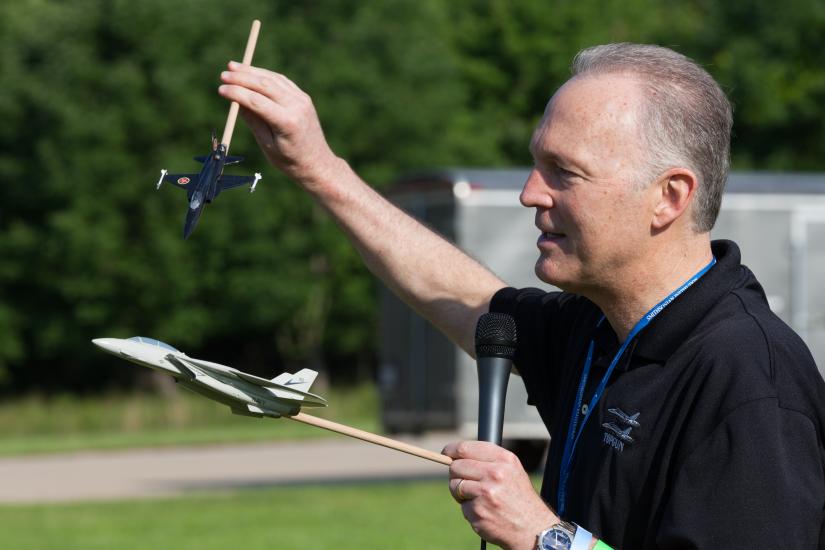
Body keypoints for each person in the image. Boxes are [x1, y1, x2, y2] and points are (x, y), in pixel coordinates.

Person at [218, 43, 825, 549]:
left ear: (668, 197)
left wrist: (545, 536)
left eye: (565, 171)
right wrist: (319, 169)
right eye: (537, 166)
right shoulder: (603, 330)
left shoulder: (749, 379)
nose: (531, 194)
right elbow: (457, 293)